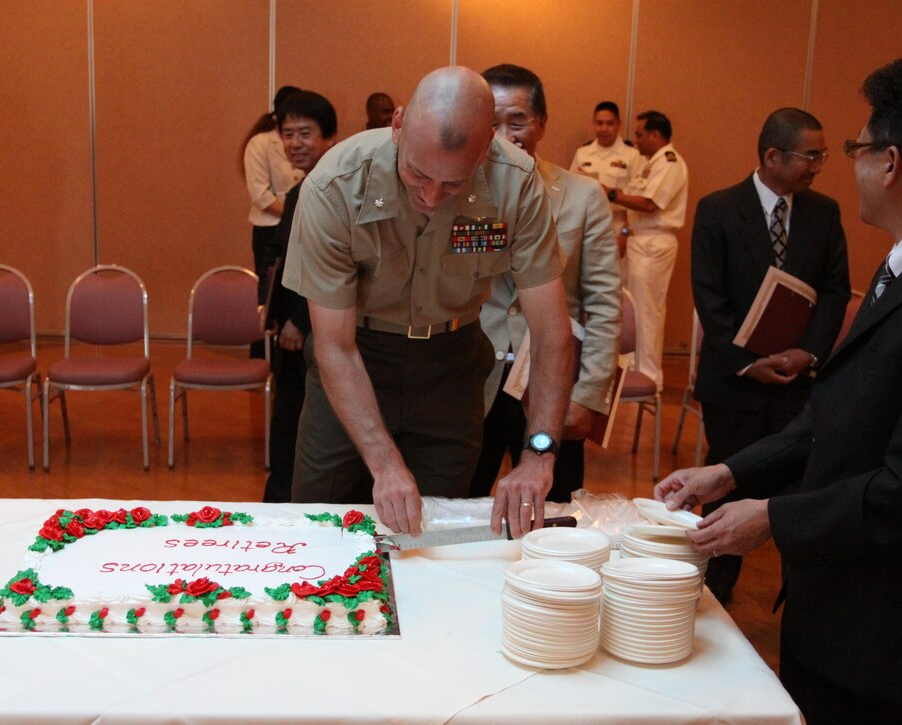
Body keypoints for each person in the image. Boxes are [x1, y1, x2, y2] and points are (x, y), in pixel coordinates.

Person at [655, 52, 902, 724]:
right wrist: (729, 469)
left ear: (892, 164)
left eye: (855, 148)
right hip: (838, 602)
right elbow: (840, 412)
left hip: (886, 626)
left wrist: (771, 517)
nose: (843, 166)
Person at [283, 66, 573, 537]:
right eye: (417, 173)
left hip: (451, 369)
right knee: (321, 522)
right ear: (398, 126)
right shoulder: (336, 184)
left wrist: (539, 452)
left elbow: (552, 332)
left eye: (454, 184)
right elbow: (334, 346)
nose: (431, 196)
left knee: (436, 532)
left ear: (487, 149)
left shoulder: (515, 185)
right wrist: (385, 464)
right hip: (356, 358)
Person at [691, 108, 850, 604]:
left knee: (798, 491)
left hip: (796, 382)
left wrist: (810, 353)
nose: (819, 165)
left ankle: (798, 594)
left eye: (823, 156)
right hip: (733, 384)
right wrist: (744, 361)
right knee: (726, 486)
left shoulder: (824, 212)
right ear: (772, 156)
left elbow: (834, 291)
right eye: (811, 155)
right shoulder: (718, 209)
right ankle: (714, 590)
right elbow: (709, 296)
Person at [470, 64, 621, 503]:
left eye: (516, 121)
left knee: (553, 512)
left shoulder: (582, 196)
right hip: (473, 380)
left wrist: (589, 393)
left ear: (541, 123)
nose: (504, 134)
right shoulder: (456, 194)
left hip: (549, 382)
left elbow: (605, 303)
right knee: (460, 509)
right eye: (490, 123)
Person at [261, 91, 338, 503]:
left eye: (305, 133)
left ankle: (294, 512)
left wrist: (299, 321)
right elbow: (279, 254)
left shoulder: (338, 188)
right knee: (286, 428)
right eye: (287, 134)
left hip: (315, 333)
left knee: (302, 428)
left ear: (330, 137)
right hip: (290, 330)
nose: (295, 143)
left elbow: (332, 263)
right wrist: (268, 308)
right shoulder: (297, 190)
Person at [612, 111, 688, 391]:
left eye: (640, 134)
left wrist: (611, 193)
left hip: (655, 243)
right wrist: (623, 232)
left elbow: (648, 204)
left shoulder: (670, 163)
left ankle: (649, 377)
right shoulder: (649, 164)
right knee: (634, 309)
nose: (636, 139)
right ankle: (633, 370)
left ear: (656, 135)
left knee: (647, 311)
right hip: (639, 240)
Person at [243, 85, 304, 305]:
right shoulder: (259, 143)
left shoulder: (305, 142)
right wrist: (292, 215)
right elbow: (261, 196)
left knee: (297, 290)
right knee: (271, 292)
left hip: (299, 225)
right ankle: (266, 337)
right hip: (270, 228)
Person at [569, 101, 641, 231]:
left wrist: (625, 232)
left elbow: (637, 201)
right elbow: (572, 192)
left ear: (619, 124)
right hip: (587, 225)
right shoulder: (582, 153)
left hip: (618, 225)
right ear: (593, 123)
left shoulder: (632, 155)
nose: (604, 129)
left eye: (610, 123)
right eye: (599, 123)